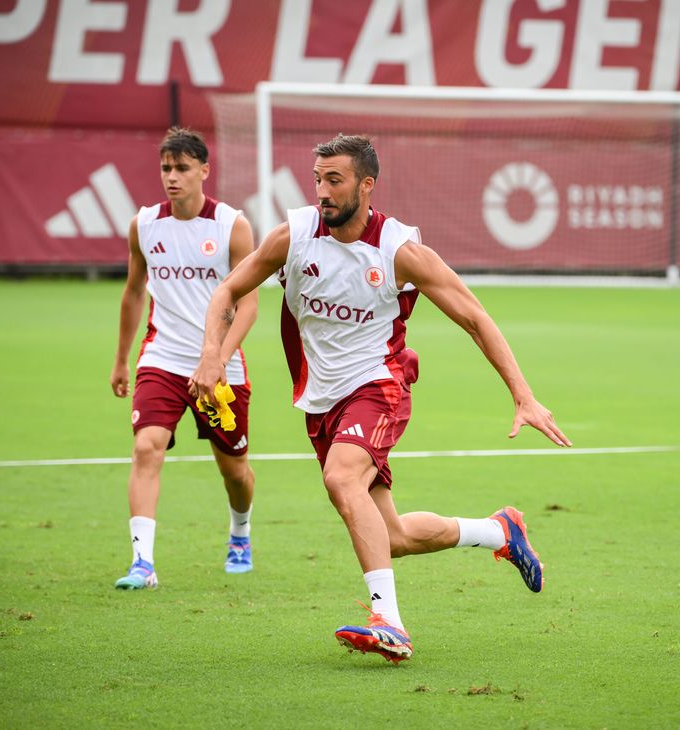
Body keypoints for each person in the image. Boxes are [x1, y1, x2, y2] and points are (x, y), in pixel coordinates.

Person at [190, 134, 571, 663]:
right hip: (322, 400)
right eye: (318, 179)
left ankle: (388, 622)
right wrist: (212, 356)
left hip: (380, 384)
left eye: (335, 180)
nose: (322, 191)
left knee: (341, 478)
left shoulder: (398, 250)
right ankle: (498, 530)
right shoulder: (294, 235)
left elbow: (474, 317)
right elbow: (226, 291)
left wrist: (523, 395)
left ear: (367, 185)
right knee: (389, 536)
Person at [110, 127, 258, 589]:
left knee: (234, 469)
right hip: (163, 357)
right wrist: (120, 361)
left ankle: (240, 531)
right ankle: (143, 563)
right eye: (165, 168)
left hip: (222, 365)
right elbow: (134, 292)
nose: (171, 177)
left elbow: (249, 305)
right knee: (145, 447)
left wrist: (216, 358)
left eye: (182, 168)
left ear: (204, 171)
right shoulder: (145, 225)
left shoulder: (231, 225)